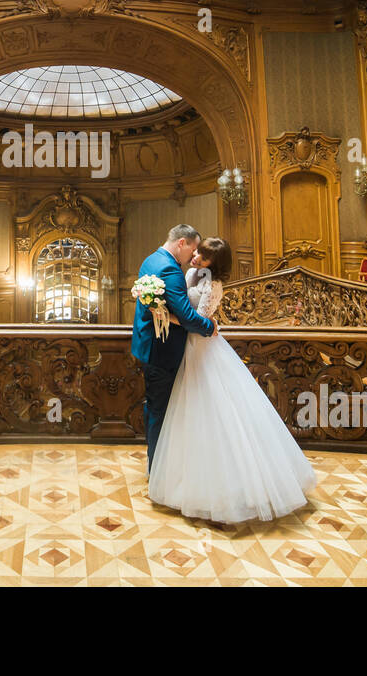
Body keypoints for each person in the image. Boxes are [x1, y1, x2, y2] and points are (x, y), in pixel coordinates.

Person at [148, 236, 318, 525]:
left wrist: (162, 312)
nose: (197, 258)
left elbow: (198, 321)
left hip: (203, 348)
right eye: (198, 252)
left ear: (216, 265)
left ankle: (228, 486)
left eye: (205, 258)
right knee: (186, 414)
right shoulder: (188, 273)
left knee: (215, 411)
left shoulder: (213, 286)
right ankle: (185, 479)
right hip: (185, 349)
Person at [130, 224, 216, 475]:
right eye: (193, 249)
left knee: (155, 408)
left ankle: (157, 464)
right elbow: (187, 316)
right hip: (163, 350)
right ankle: (157, 470)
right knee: (160, 411)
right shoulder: (170, 269)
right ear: (182, 243)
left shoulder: (151, 259)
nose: (194, 255)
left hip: (148, 344)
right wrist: (210, 327)